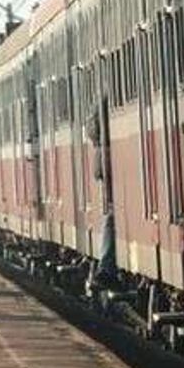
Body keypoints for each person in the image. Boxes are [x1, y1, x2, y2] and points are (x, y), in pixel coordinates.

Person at [85, 97, 117, 289]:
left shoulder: (96, 107)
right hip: (106, 159)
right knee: (111, 214)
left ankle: (105, 264)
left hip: (101, 159)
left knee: (110, 212)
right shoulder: (106, 103)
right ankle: (105, 266)